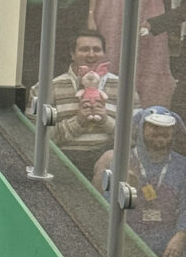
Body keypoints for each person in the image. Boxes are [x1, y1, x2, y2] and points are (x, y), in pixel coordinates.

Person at [91, 108, 186, 257]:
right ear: (141, 128)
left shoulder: (182, 166)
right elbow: (106, 208)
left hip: (169, 247)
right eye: (154, 127)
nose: (161, 133)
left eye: (167, 129)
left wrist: (181, 236)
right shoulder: (122, 161)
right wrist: (125, 190)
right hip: (128, 244)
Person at [27, 30, 132, 176]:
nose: (91, 54)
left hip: (107, 156)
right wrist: (78, 122)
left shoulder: (124, 88)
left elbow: (135, 137)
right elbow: (31, 138)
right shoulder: (45, 88)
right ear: (72, 54)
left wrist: (105, 121)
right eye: (84, 49)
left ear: (104, 53)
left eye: (96, 49)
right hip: (61, 158)